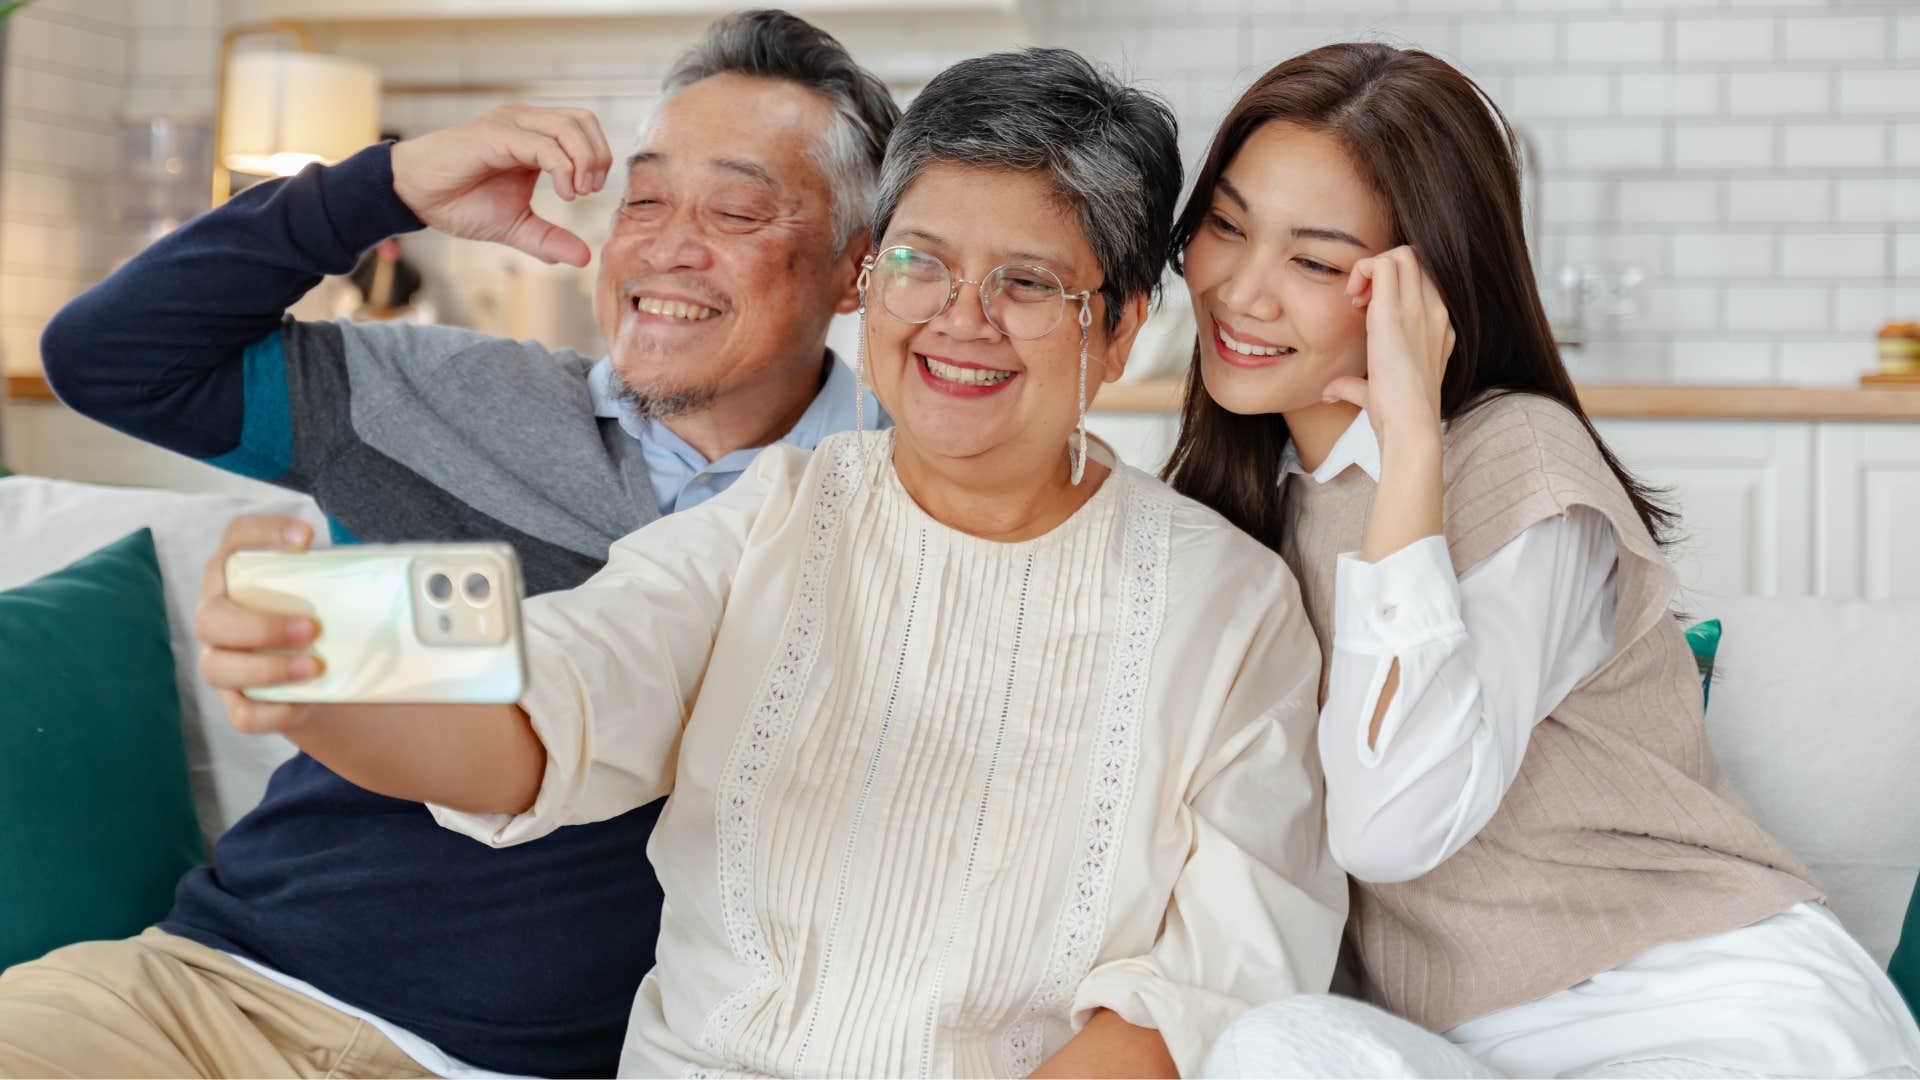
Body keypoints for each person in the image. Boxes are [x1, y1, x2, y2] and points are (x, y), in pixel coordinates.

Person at [194, 47, 1346, 1079]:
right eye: (922, 263)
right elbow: (547, 708)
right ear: (871, 278)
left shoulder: (1227, 605)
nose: (961, 319)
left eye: (1030, 283)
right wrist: (322, 670)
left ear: (1123, 323)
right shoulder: (771, 517)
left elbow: (1207, 992)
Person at [0, 12, 899, 1078]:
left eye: (740, 209)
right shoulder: (449, 396)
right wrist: (386, 187)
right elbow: (107, 359)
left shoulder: (906, 509)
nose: (666, 243)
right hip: (202, 995)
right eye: (645, 198)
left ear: (859, 271)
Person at [1164, 43, 1920, 1078]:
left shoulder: (1516, 461)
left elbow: (1392, 829)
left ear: (1420, 288)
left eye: (1316, 261)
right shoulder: (1245, 503)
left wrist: (1414, 448)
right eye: (1226, 225)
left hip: (1709, 1011)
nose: (1241, 290)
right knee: (1267, 1050)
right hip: (1461, 1048)